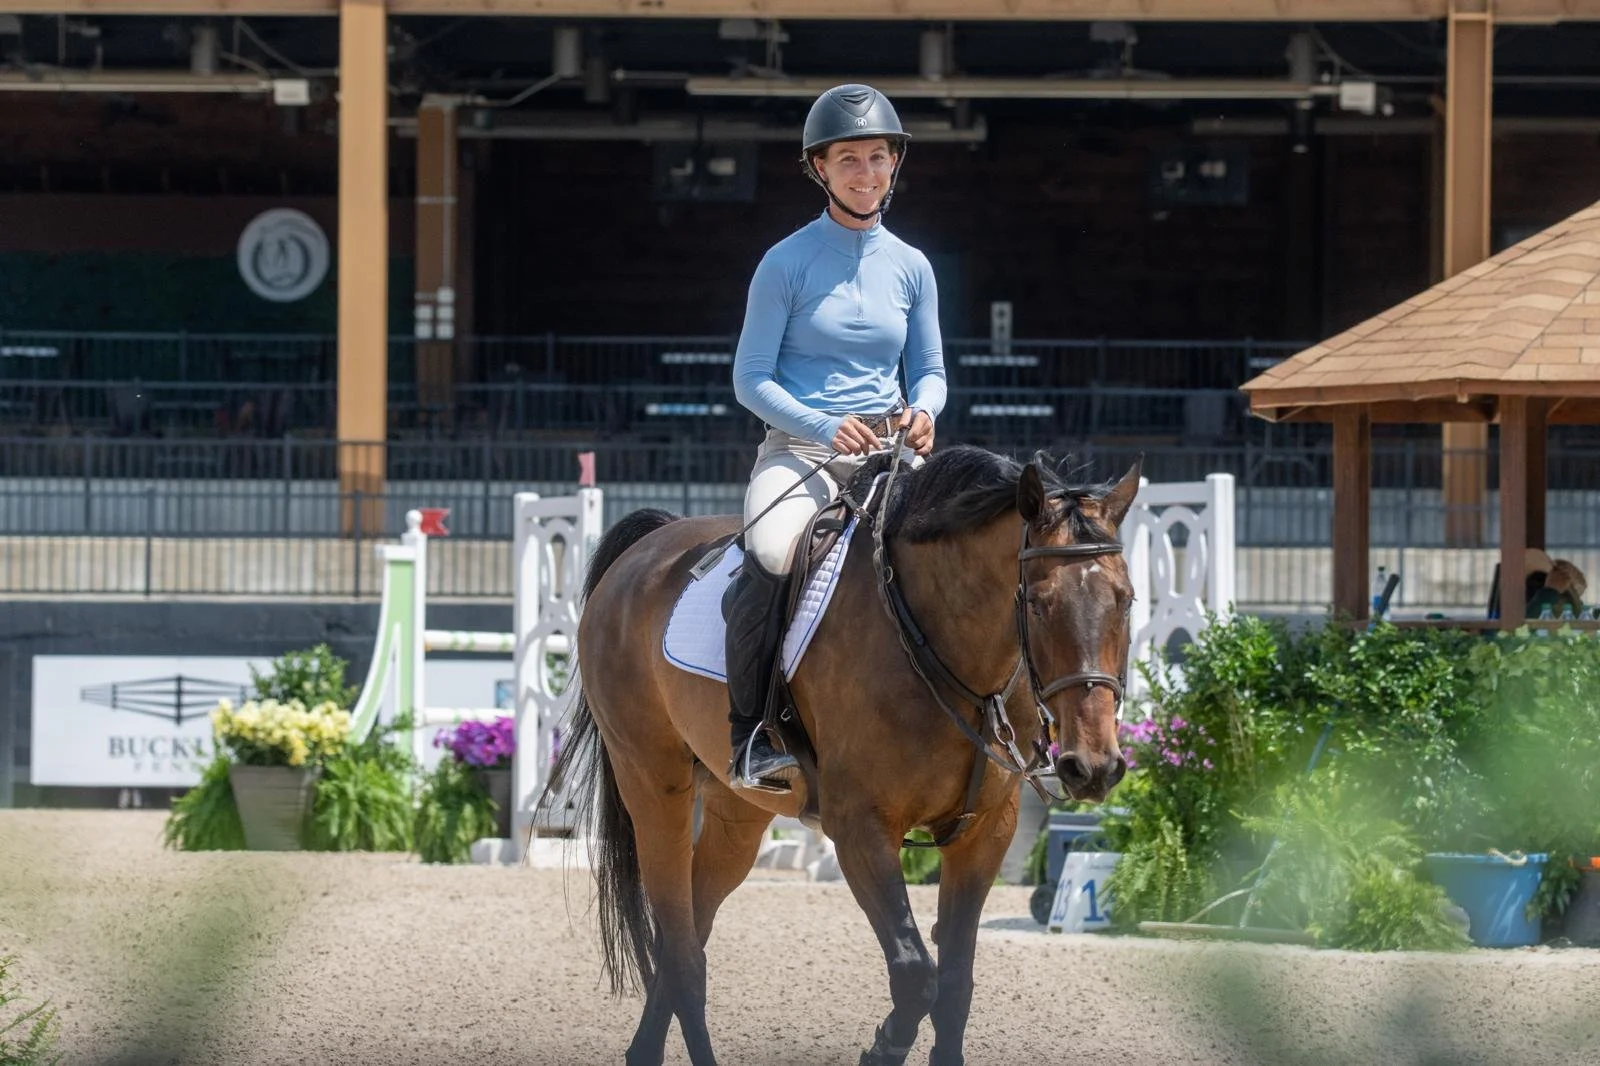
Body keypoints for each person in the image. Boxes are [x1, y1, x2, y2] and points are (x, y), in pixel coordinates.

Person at [723, 83, 948, 791]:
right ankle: (753, 731)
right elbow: (750, 378)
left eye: (877, 157)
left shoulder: (912, 266)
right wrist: (822, 425)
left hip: (893, 454)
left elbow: (933, 371)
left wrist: (926, 410)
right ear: (820, 169)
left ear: (893, 166)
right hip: (803, 451)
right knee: (772, 549)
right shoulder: (785, 262)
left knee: (965, 560)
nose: (865, 171)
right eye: (848, 158)